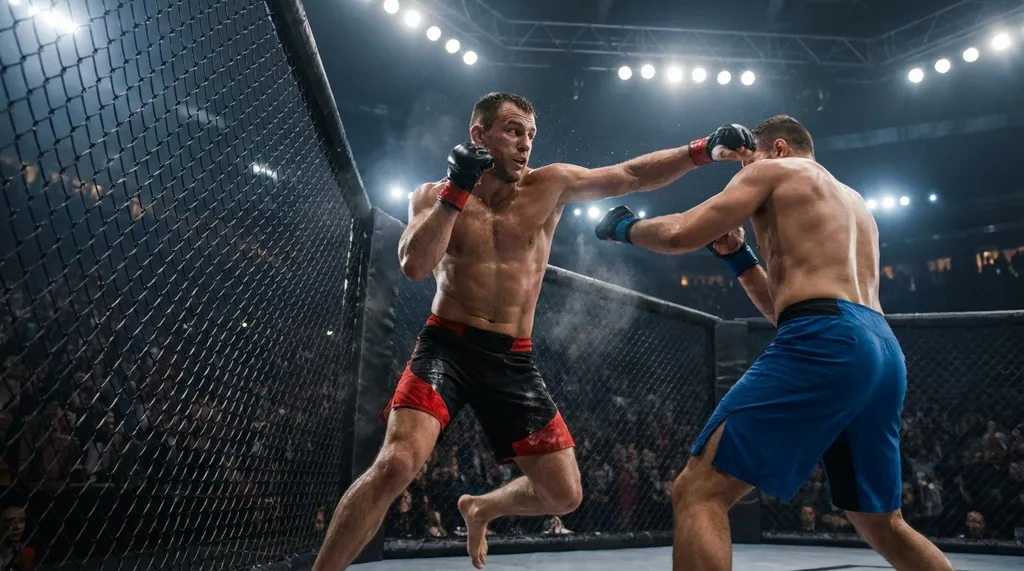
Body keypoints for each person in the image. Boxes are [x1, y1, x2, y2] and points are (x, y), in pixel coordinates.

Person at [311, 91, 754, 571]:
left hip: (513, 358)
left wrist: (702, 149)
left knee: (564, 495)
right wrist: (455, 191)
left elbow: (630, 175)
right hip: (447, 348)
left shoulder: (550, 186)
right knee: (395, 464)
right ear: (479, 136)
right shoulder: (432, 194)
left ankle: (481, 507)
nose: (525, 144)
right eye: (513, 131)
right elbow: (414, 265)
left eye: (530, 135)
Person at [595, 115, 955, 571]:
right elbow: (784, 309)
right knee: (880, 520)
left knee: (698, 491)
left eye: (749, 159)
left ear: (778, 148)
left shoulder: (773, 170)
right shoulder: (856, 203)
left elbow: (682, 233)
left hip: (827, 337)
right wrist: (738, 258)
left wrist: (624, 227)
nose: (743, 172)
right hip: (880, 348)